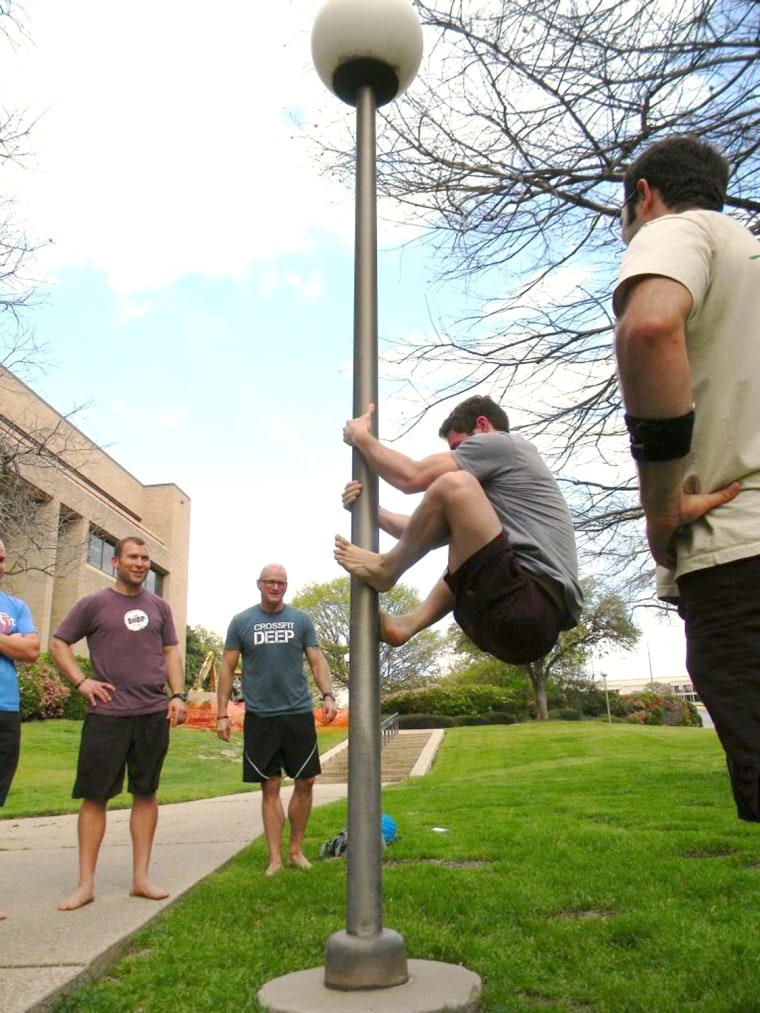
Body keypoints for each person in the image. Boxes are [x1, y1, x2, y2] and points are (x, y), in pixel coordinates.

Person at [613, 134, 759, 821]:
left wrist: (662, 503)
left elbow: (648, 327)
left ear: (644, 195)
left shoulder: (677, 230)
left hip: (739, 556)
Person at [335, 396, 583, 664]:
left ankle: (387, 569)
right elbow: (422, 531)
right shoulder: (491, 505)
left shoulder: (505, 445)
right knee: (467, 546)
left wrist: (361, 436)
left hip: (527, 599)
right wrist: (371, 512)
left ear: (483, 425)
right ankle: (407, 624)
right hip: (524, 625)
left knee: (454, 483)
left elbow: (412, 476)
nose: (460, 457)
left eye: (460, 447)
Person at [50, 536, 187, 910]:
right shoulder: (94, 604)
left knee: (146, 792)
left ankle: (141, 879)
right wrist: (81, 682)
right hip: (106, 716)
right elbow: (58, 643)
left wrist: (177, 695)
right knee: (95, 797)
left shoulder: (160, 607)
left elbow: (171, 651)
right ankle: (85, 885)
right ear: (116, 562)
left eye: (145, 558)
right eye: (133, 557)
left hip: (151, 713)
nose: (140, 563)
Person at [216, 563, 337, 876]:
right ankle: (275, 859)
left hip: (297, 713)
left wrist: (327, 695)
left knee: (305, 781)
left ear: (286, 586)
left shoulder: (300, 620)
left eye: (281, 582)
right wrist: (221, 713)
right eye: (270, 581)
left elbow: (316, 659)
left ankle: (295, 850)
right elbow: (227, 668)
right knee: (269, 787)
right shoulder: (241, 621)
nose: (275, 587)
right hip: (261, 717)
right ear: (259, 584)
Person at [0, 538, 40, 920]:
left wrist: (12, 642)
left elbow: (31, 651)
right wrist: (10, 642)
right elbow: (19, 647)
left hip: (6, 711)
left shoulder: (16, 606)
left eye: (1, 558)